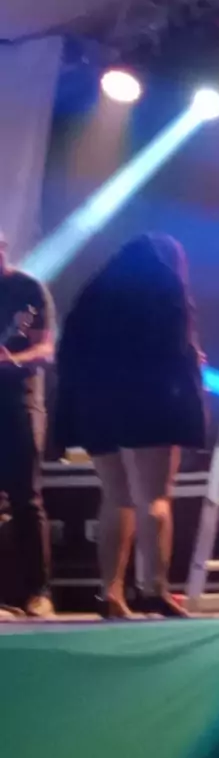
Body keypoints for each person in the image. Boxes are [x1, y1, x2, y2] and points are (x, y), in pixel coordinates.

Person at [56, 234, 206, 619]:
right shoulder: (164, 287)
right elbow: (175, 349)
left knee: (115, 496)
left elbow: (67, 350)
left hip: (94, 406)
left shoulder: (93, 294)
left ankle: (110, 591)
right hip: (148, 404)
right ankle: (155, 588)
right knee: (154, 497)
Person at [0, 234, 56, 618]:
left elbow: (46, 349)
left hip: (20, 401)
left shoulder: (28, 289)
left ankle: (38, 592)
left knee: (25, 498)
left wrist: (13, 360)